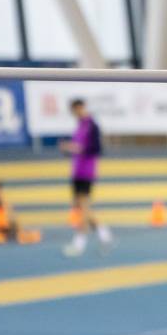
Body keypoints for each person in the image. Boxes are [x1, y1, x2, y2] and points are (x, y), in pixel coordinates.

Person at [61, 98, 113, 258]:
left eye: (78, 109)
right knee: (81, 207)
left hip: (87, 170)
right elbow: (76, 147)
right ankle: (104, 234)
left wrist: (76, 148)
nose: (76, 113)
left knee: (83, 207)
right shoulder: (79, 126)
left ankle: (79, 242)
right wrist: (69, 149)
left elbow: (96, 148)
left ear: (82, 108)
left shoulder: (92, 125)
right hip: (77, 170)